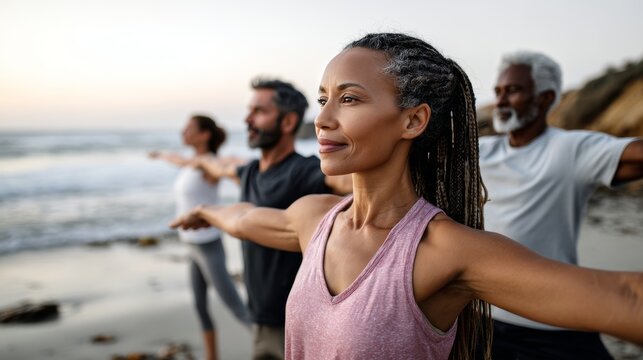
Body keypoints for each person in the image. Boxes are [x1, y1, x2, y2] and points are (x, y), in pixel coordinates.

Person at [171, 33, 643, 360]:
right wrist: (206, 211)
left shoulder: (442, 250)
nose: (323, 119)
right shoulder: (314, 218)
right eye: (323, 99)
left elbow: (625, 297)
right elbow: (247, 218)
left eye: (349, 98)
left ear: (413, 121)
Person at [477, 50, 643, 359]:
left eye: (512, 90)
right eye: (498, 91)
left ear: (544, 98)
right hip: (482, 319)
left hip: (552, 322)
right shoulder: (480, 151)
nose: (500, 101)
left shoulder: (570, 148)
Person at [193, 78, 352, 360]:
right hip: (260, 318)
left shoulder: (306, 171)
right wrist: (194, 161)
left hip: (296, 324)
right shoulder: (249, 171)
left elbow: (349, 182)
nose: (248, 119)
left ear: (288, 122)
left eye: (258, 111)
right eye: (249, 110)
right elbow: (216, 165)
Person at [149, 115, 251, 360]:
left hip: (208, 246)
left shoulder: (210, 164)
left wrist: (246, 166)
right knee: (200, 307)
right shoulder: (191, 163)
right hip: (191, 245)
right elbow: (180, 160)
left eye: (189, 129)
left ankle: (277, 349)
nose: (183, 132)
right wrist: (161, 155)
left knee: (236, 308)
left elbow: (230, 165)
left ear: (204, 135)